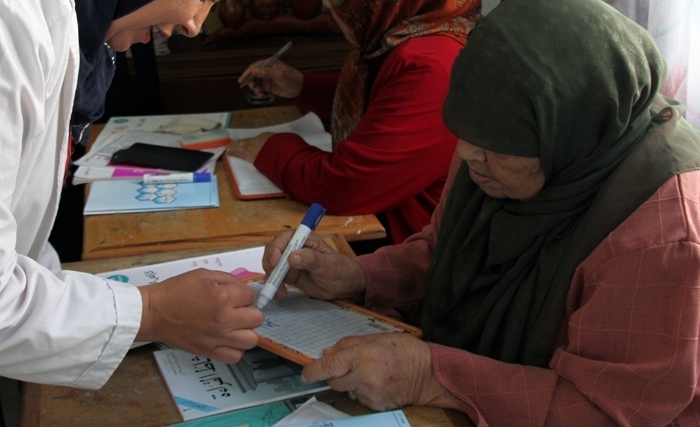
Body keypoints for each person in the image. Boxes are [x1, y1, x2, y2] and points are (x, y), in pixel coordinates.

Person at [260, 0, 700, 424]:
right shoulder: (497, 144)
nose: (468, 155)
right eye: (465, 134)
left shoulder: (661, 235)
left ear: (569, 130)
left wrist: (432, 376)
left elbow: (607, 413)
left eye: (494, 145)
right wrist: (356, 276)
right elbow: (443, 252)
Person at [0, 0, 263, 389]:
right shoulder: (12, 29)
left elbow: (19, 236)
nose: (192, 26)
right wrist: (153, 312)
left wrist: (82, 301)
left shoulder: (79, 40)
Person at [230, 0, 481, 246]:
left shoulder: (433, 65)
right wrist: (303, 86)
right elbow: (385, 106)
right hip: (387, 238)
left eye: (340, 8)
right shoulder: (406, 37)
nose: (338, 19)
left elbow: (344, 187)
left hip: (406, 259)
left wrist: (270, 147)